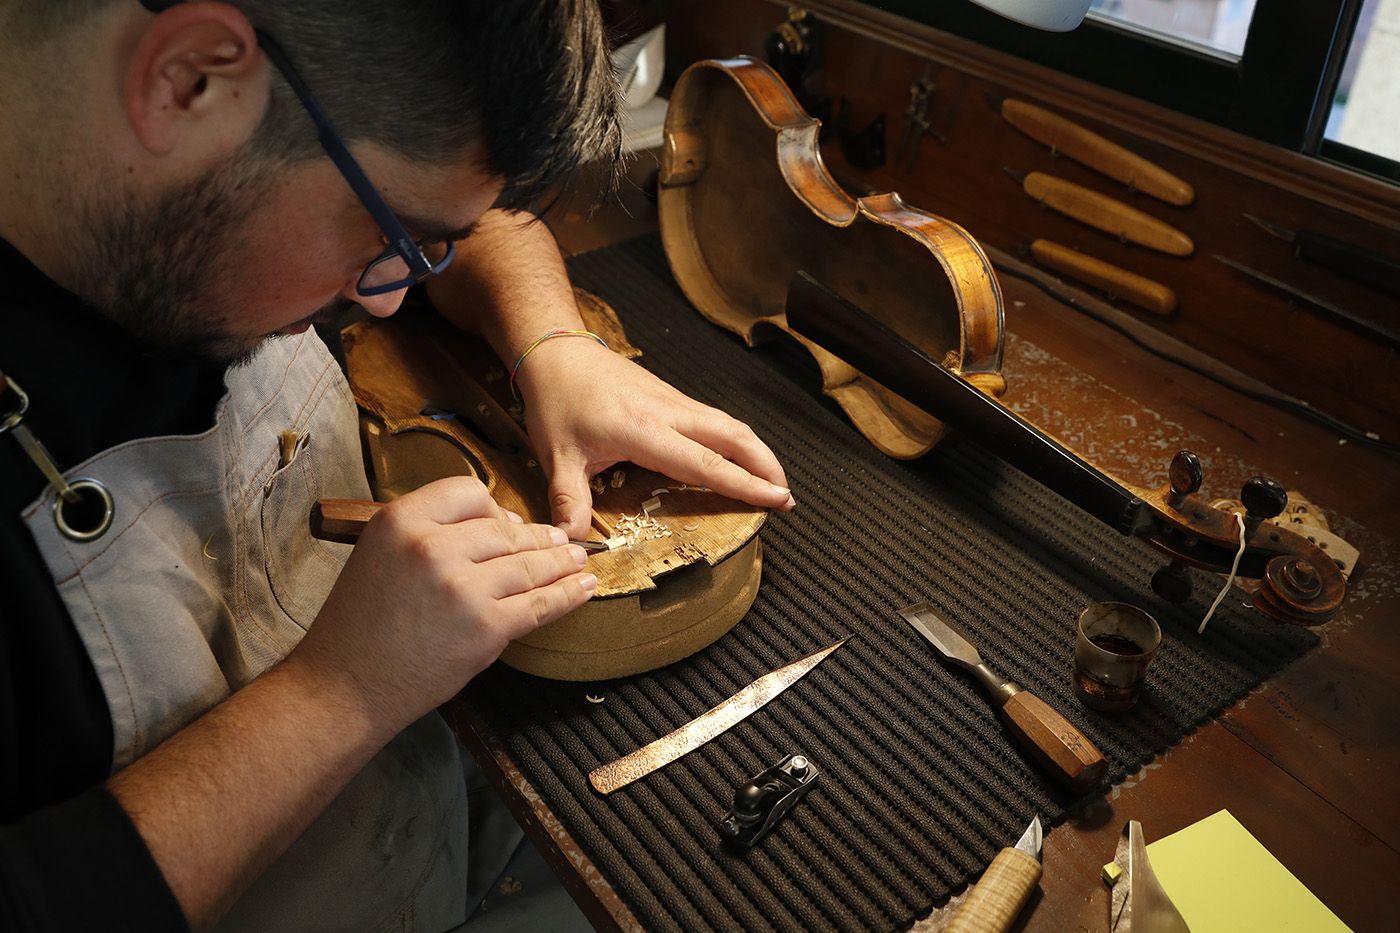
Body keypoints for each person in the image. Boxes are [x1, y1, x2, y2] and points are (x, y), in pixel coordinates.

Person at [0, 1, 795, 929]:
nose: (386, 303)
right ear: (190, 79)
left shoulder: (205, 179)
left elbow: (468, 218)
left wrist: (551, 343)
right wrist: (340, 692)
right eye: (386, 241)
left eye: (416, 251)